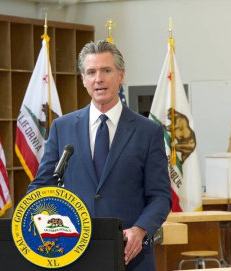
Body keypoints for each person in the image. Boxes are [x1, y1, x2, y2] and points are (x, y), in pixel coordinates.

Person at [27, 40, 171, 271]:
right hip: (73, 254)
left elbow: (161, 196)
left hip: (130, 256)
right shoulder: (62, 128)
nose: (98, 79)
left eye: (106, 70)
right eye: (91, 72)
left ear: (121, 75)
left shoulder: (148, 131)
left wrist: (140, 229)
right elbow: (41, 186)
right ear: (83, 79)